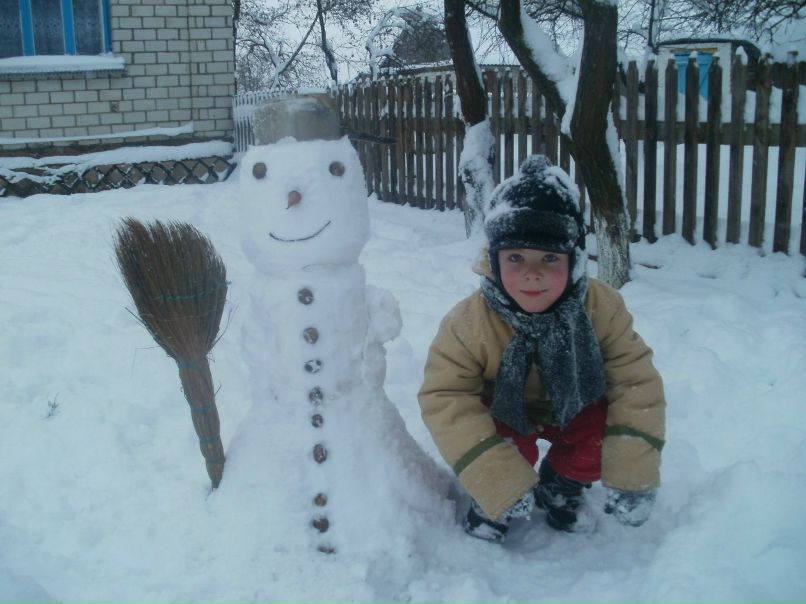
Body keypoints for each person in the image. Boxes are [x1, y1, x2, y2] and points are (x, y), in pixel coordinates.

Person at [418, 156, 666, 542]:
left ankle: (560, 484)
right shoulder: (469, 322)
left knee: (599, 437)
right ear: (495, 262)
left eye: (550, 258)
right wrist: (495, 476)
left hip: (574, 403)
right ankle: (494, 497)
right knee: (503, 444)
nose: (533, 273)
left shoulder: (602, 308)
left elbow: (636, 382)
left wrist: (633, 471)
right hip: (503, 412)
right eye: (516, 258)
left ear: (575, 259)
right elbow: (446, 397)